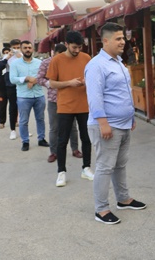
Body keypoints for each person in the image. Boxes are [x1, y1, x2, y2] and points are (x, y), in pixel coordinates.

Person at [85, 22, 146, 225]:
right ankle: (101, 209)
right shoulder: (96, 65)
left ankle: (123, 199)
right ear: (106, 41)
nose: (123, 41)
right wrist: (103, 123)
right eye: (118, 39)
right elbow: (95, 97)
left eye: (123, 38)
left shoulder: (118, 62)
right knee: (105, 167)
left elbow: (123, 93)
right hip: (107, 125)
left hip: (123, 123)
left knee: (120, 164)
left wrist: (130, 118)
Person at [47, 31, 94, 187]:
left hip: (84, 105)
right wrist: (69, 83)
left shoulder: (87, 58)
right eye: (74, 47)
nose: (77, 50)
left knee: (86, 138)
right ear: (66, 44)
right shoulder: (57, 60)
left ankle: (86, 168)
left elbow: (93, 78)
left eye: (79, 47)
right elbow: (52, 83)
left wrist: (87, 82)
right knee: (62, 140)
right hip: (65, 106)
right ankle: (61, 172)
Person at [36, 43, 83, 163]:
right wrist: (51, 85)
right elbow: (40, 78)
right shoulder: (47, 63)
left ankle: (75, 149)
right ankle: (54, 152)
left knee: (72, 127)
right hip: (54, 100)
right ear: (54, 53)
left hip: (69, 99)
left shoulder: (71, 61)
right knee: (54, 128)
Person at [9, 40, 48, 151]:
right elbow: (12, 79)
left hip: (39, 95)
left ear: (33, 49)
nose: (27, 50)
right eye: (25, 48)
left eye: (29, 48)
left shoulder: (39, 63)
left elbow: (44, 76)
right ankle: (25, 141)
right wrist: (26, 78)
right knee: (23, 120)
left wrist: (34, 81)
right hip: (23, 97)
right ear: (21, 49)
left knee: (40, 118)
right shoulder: (15, 64)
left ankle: (41, 139)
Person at [5, 39, 22, 139]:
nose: (16, 49)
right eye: (14, 48)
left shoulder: (23, 56)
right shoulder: (7, 57)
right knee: (13, 108)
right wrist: (7, 58)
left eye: (18, 47)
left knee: (24, 108)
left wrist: (21, 58)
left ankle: (24, 129)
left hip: (22, 85)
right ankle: (12, 130)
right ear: (10, 47)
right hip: (11, 85)